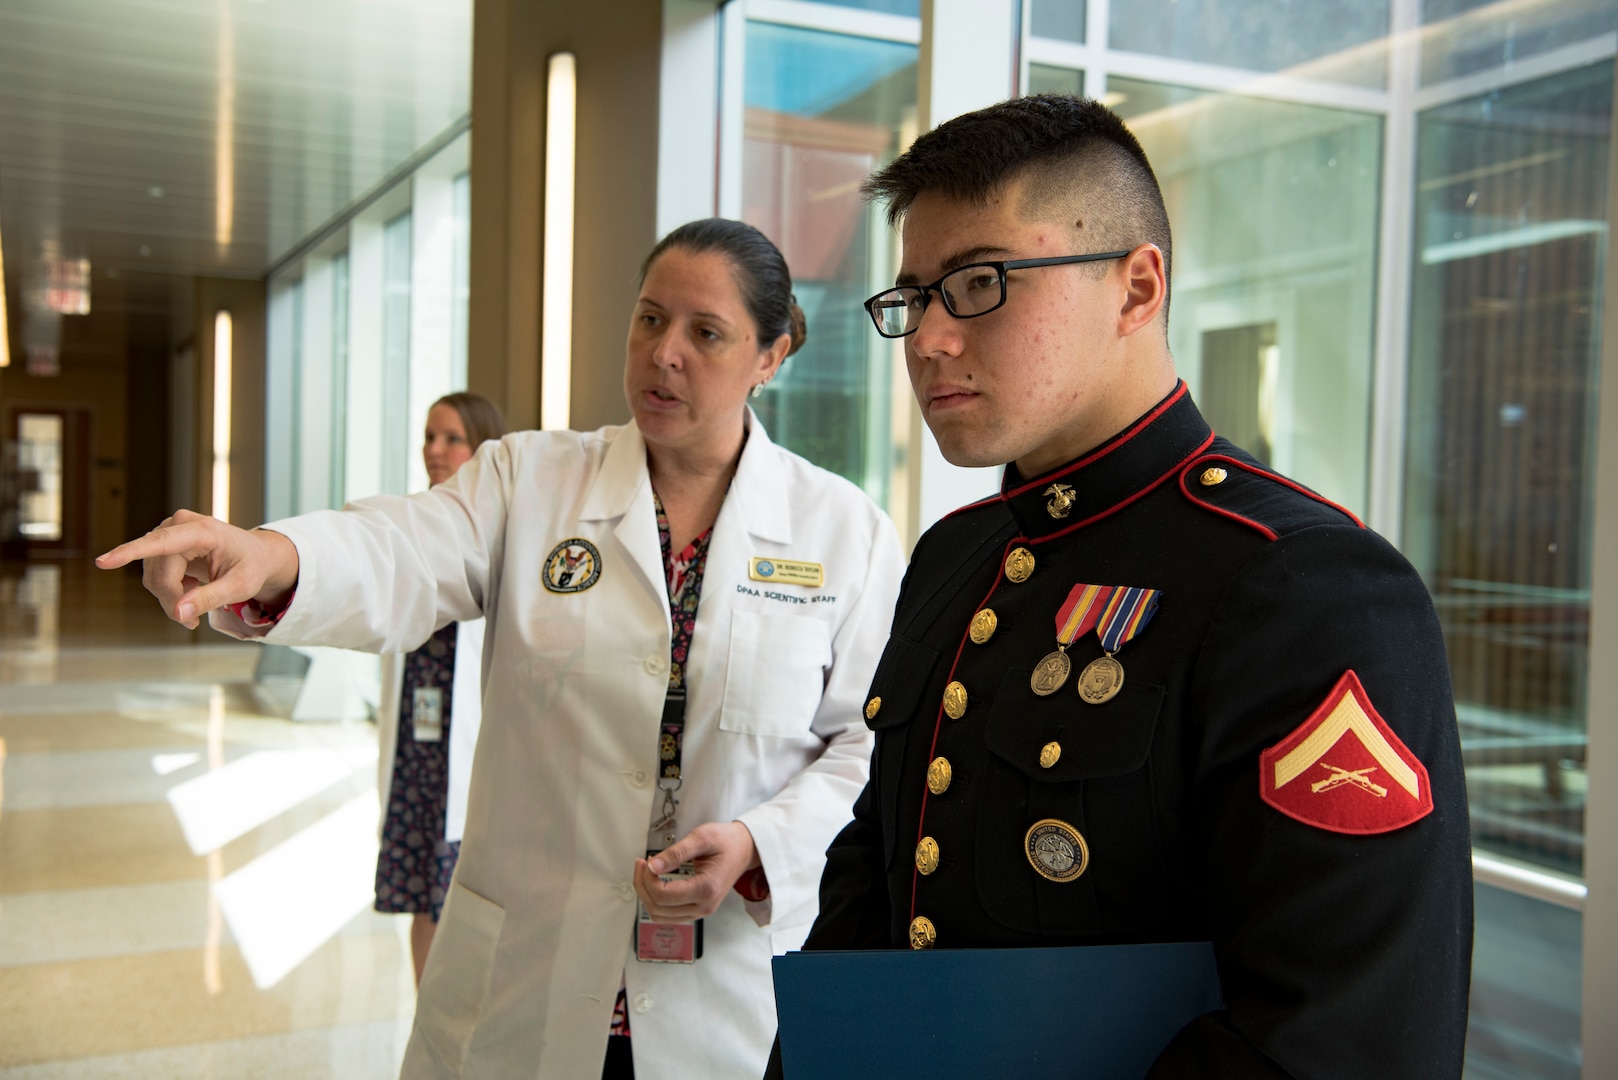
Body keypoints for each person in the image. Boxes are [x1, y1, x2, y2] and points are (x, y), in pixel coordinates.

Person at [97, 218, 904, 1080]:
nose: (664, 353)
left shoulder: (843, 533)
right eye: (648, 319)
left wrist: (758, 842)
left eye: (705, 333)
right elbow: (400, 549)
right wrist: (271, 557)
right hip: (527, 977)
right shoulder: (531, 479)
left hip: (728, 1001)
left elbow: (870, 742)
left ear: (771, 356)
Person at [777, 95, 1472, 1078]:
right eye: (914, 297)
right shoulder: (955, 556)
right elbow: (873, 890)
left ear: (1137, 288)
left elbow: (1342, 1041)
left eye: (979, 282)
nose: (929, 338)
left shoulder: (1302, 582)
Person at [375, 392, 505, 984]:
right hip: (417, 750)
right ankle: (426, 1021)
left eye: (451, 438)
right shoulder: (408, 523)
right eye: (429, 436)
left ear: (480, 447)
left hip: (476, 750)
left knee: (465, 899)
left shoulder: (505, 530)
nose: (434, 450)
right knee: (424, 892)